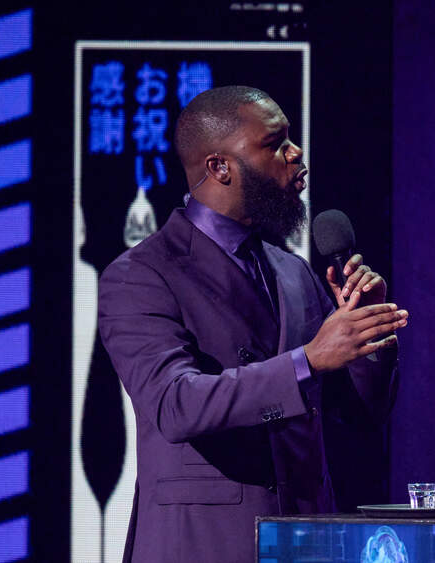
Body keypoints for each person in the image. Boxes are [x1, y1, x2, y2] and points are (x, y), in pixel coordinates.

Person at [99, 86, 406, 563]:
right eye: (274, 143)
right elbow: (175, 404)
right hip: (204, 545)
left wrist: (368, 334)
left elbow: (357, 414)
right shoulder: (141, 274)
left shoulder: (291, 271)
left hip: (304, 541)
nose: (296, 153)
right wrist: (308, 360)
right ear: (220, 167)